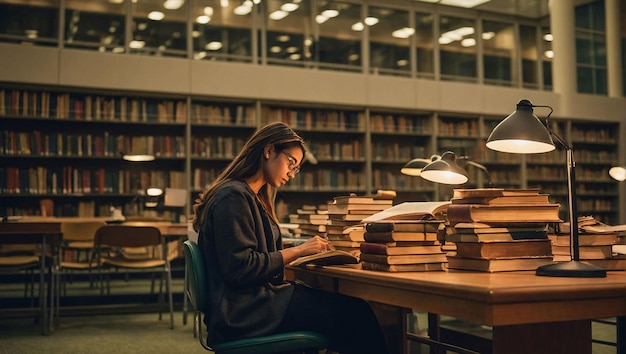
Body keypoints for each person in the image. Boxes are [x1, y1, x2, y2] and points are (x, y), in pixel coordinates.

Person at [192, 121, 390, 354]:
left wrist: (298, 247)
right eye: (291, 163)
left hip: (254, 303)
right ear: (268, 151)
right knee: (358, 314)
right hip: (245, 312)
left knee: (347, 315)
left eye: (296, 169)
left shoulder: (250, 196)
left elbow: (254, 251)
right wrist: (298, 251)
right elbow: (241, 268)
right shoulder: (233, 197)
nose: (291, 173)